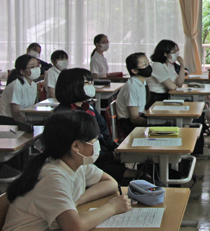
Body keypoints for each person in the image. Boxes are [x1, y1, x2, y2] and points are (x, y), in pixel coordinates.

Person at [3, 110, 132, 231]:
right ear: (76, 146)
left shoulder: (77, 163)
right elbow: (74, 226)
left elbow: (111, 183)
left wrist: (77, 201)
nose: (97, 144)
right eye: (94, 140)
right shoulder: (52, 177)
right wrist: (112, 207)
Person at [54, 68, 138, 184]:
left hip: (102, 158)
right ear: (73, 85)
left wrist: (116, 149)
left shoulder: (89, 108)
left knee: (146, 169)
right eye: (87, 83)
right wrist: (111, 156)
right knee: (139, 176)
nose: (91, 86)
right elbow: (76, 153)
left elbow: (104, 134)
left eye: (91, 82)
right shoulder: (64, 116)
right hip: (86, 165)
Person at [147, 39, 210, 134]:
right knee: (201, 101)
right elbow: (172, 86)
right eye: (174, 52)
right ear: (165, 54)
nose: (177, 54)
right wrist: (175, 84)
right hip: (157, 100)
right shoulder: (157, 66)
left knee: (205, 98)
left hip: (168, 96)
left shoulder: (169, 65)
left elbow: (179, 83)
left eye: (177, 51)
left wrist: (182, 65)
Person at [116, 53, 150, 135]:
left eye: (148, 63)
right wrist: (152, 123)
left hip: (140, 117)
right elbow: (134, 119)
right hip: (130, 125)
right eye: (145, 64)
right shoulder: (131, 86)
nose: (148, 66)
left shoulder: (142, 82)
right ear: (134, 71)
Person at [0, 54, 39, 124]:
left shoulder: (33, 85)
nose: (37, 69)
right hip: (7, 120)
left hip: (23, 118)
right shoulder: (16, 86)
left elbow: (30, 109)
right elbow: (16, 115)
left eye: (37, 66)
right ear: (22, 71)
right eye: (32, 67)